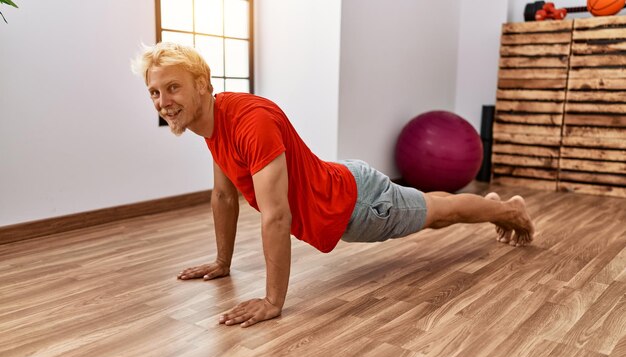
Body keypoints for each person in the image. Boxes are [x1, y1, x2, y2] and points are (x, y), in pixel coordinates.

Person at [132, 42, 535, 328]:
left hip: (360, 204)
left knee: (439, 214)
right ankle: (495, 205)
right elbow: (223, 195)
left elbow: (276, 216)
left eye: (173, 87)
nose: (163, 101)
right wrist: (223, 263)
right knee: (430, 207)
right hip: (343, 183)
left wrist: (273, 301)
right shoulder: (214, 124)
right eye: (154, 91)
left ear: (202, 84)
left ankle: (508, 210)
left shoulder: (249, 120)